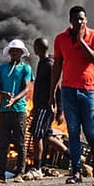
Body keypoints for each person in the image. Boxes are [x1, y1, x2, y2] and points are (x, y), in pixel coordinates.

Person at [49, 6, 94, 184]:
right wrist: (52, 93)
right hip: (68, 90)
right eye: (76, 19)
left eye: (82, 19)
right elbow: (57, 66)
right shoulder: (60, 39)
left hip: (89, 90)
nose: (79, 22)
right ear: (70, 21)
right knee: (73, 131)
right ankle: (76, 172)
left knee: (90, 130)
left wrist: (81, 41)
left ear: (86, 20)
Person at [0, 39, 33, 182]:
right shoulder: (1, 68)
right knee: (2, 143)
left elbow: (27, 87)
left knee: (20, 142)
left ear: (22, 53)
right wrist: (3, 93)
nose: (15, 52)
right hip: (4, 111)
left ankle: (20, 173)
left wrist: (15, 99)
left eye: (18, 51)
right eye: (13, 50)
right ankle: (0, 175)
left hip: (19, 110)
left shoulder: (26, 69)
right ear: (9, 53)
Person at [26, 38, 63, 178]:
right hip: (40, 106)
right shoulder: (42, 63)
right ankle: (73, 156)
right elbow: (40, 88)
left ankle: (37, 167)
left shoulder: (49, 65)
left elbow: (58, 89)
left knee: (37, 135)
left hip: (45, 107)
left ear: (38, 48)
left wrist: (60, 111)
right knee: (47, 136)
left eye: (35, 47)